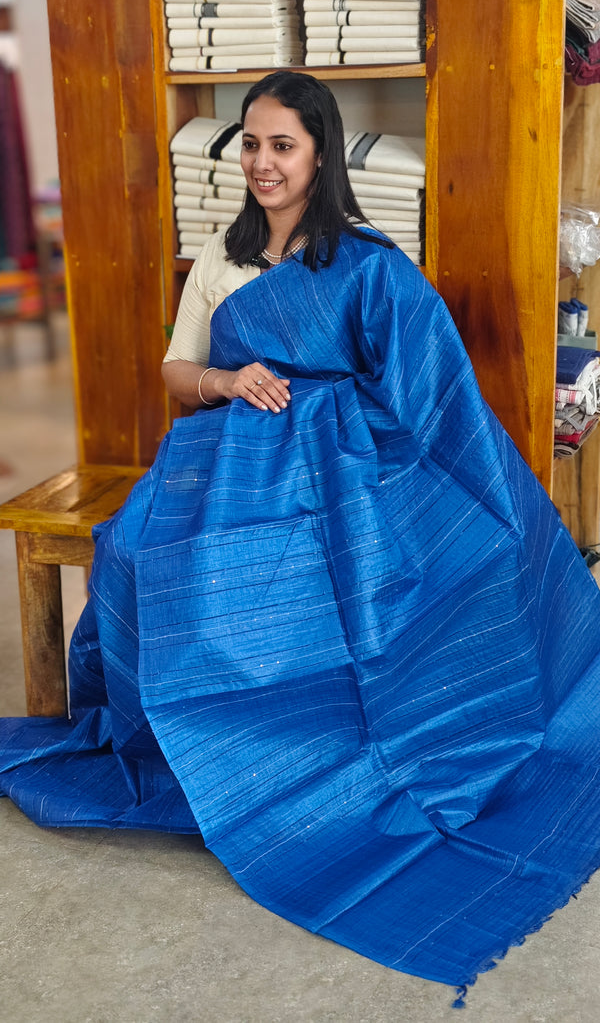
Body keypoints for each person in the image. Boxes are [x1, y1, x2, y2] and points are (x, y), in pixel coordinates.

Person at [2, 71, 600, 996]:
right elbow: (177, 371)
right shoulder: (222, 256)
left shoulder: (364, 262)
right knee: (130, 554)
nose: (262, 162)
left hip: (338, 469)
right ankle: (185, 749)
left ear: (320, 153)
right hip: (225, 462)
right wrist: (227, 381)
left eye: (282, 144)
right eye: (250, 143)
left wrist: (349, 434)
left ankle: (316, 758)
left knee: (378, 576)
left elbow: (423, 382)